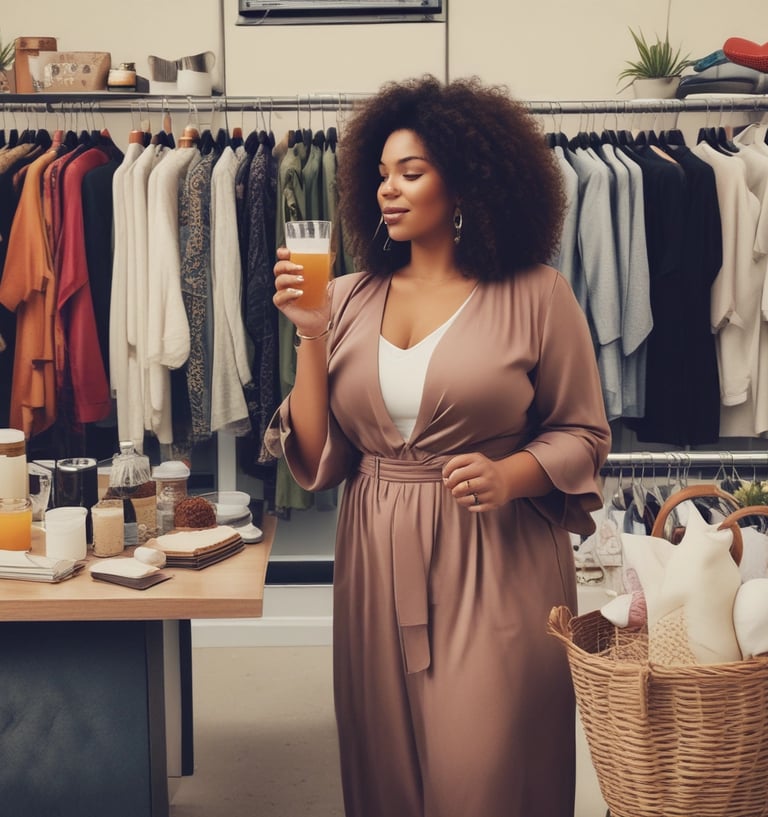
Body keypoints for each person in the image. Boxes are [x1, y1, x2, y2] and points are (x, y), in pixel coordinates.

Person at [266, 74, 611, 817]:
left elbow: (584, 432)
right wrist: (310, 333)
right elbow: (322, 457)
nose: (389, 190)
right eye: (382, 174)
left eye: (411, 173)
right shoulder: (350, 296)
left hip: (497, 552)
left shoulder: (537, 294)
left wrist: (512, 473)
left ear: (465, 184)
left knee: (484, 767)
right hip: (375, 550)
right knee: (386, 765)